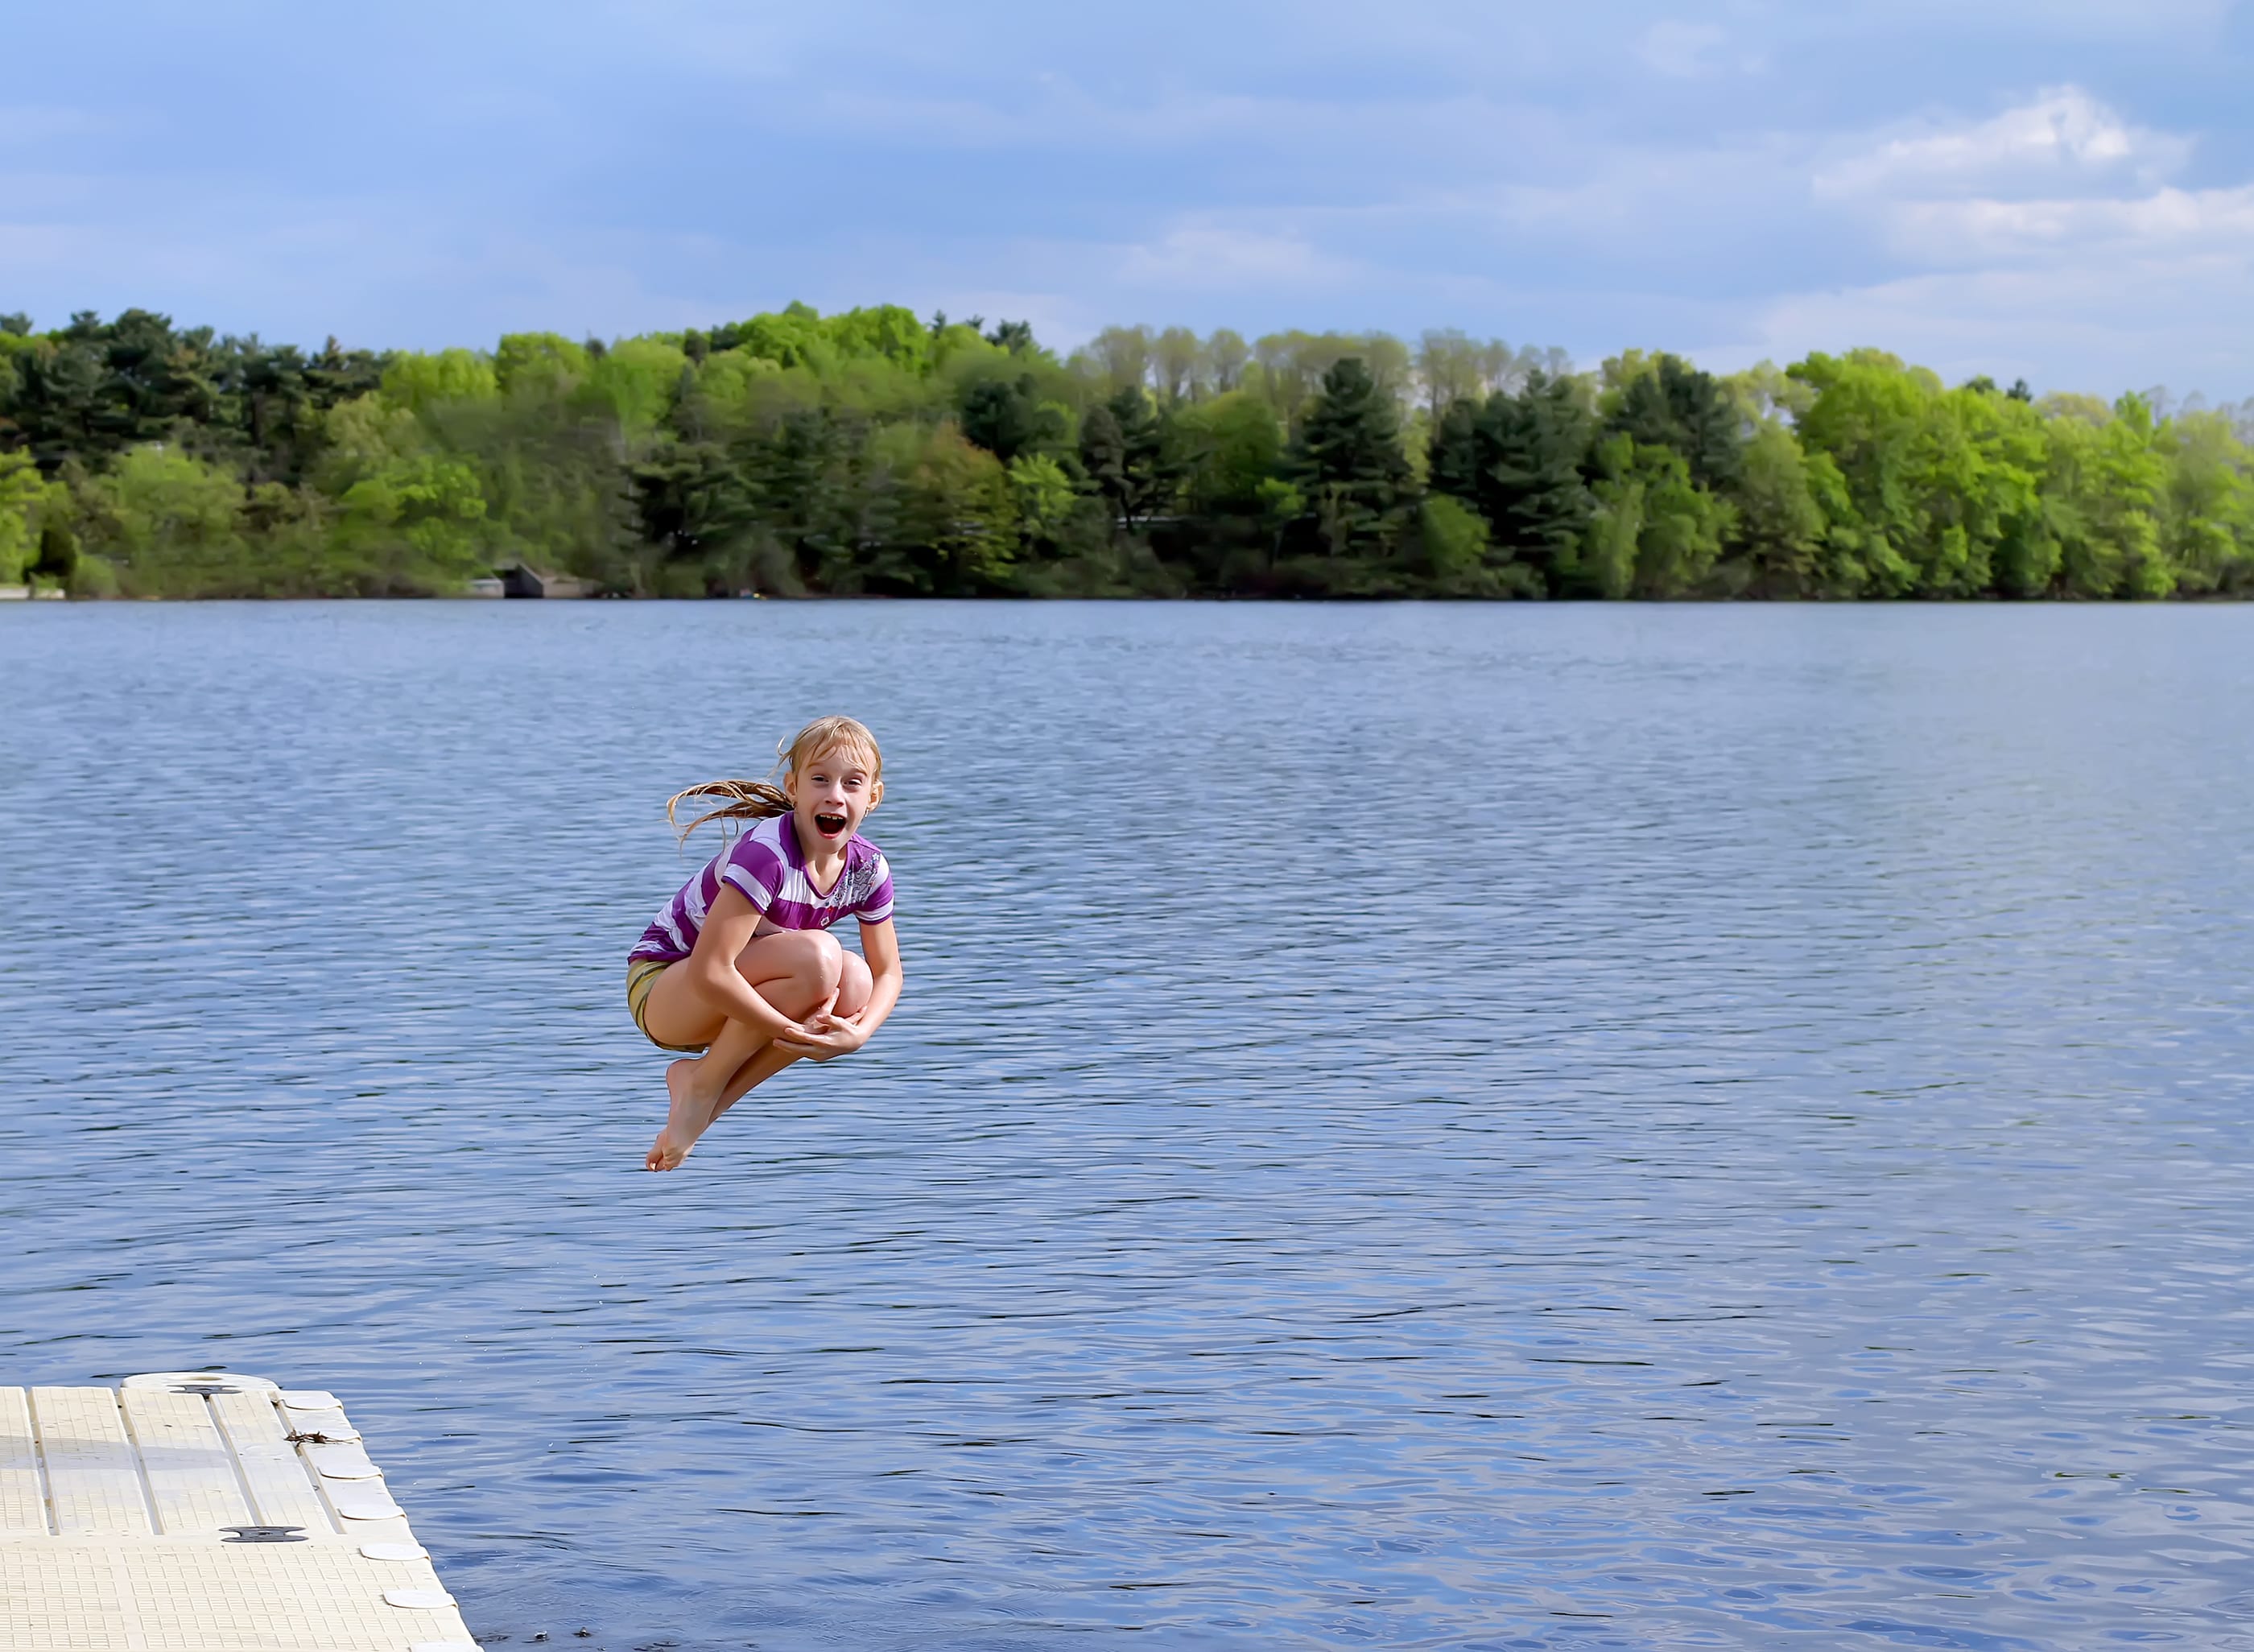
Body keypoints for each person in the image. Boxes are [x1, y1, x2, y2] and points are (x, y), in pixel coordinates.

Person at [627, 715, 902, 1171]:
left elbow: (888, 972)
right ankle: (700, 1089)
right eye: (820, 779)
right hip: (664, 989)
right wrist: (791, 1031)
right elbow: (709, 971)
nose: (835, 794)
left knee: (854, 984)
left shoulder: (868, 870)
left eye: (852, 783)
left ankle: (706, 1102)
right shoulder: (767, 855)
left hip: (727, 1000)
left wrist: (858, 1034)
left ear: (872, 796)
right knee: (820, 956)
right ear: (793, 788)